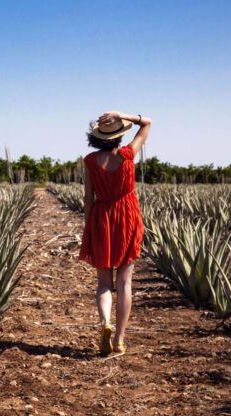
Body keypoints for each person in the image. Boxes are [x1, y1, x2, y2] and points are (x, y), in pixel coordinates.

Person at [79, 110, 151, 356]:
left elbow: (88, 197)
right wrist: (122, 115)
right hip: (127, 217)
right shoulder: (128, 154)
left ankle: (105, 323)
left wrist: (89, 226)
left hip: (101, 218)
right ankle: (119, 339)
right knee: (124, 282)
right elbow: (147, 123)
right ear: (120, 135)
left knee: (103, 284)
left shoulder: (90, 161)